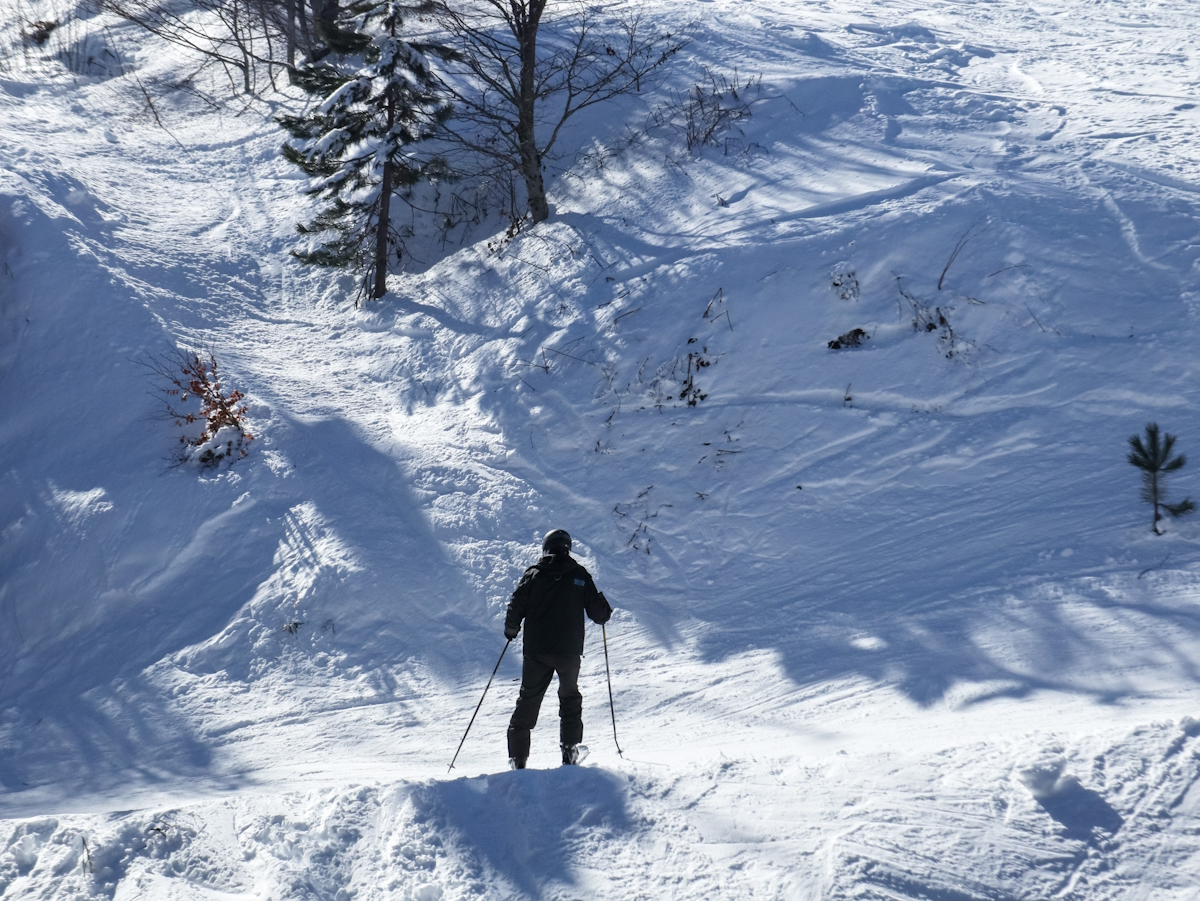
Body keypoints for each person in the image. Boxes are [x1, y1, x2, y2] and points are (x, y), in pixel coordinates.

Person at [504, 529, 612, 769]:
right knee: (569, 698)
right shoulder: (579, 575)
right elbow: (599, 614)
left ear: (546, 548)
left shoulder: (534, 574)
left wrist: (511, 630)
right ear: (567, 548)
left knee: (528, 700)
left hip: (536, 651)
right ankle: (569, 751)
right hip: (569, 652)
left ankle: (518, 758)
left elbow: (516, 605)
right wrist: (604, 610)